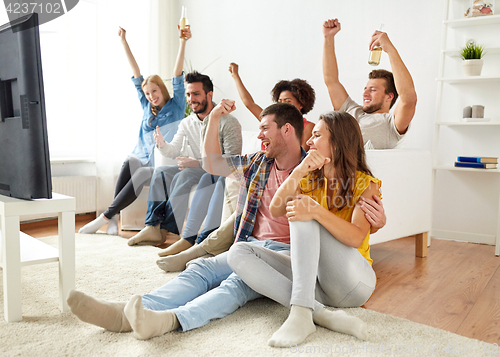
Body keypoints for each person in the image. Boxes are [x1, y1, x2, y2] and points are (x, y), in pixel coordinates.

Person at [67, 102, 368, 342]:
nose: (260, 134)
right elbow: (212, 164)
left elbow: (338, 212)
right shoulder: (258, 162)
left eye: (265, 128)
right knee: (202, 269)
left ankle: (171, 321)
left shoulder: (315, 166)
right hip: (249, 243)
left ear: (287, 130)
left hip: (283, 254)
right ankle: (126, 313)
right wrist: (213, 119)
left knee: (235, 283)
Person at [228, 111, 381, 347]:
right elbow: (277, 208)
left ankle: (301, 313)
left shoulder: (364, 183)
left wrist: (317, 212)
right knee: (238, 253)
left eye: (317, 135)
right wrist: (299, 171)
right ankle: (317, 313)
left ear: (338, 143)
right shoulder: (310, 178)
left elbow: (356, 236)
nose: (308, 141)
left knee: (303, 209)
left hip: (355, 282)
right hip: (319, 286)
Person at [78, 25, 190, 235]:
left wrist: (182, 42)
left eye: (154, 91)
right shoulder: (147, 106)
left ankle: (104, 217)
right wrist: (123, 42)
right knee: (129, 162)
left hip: (160, 163)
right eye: (147, 93)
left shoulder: (177, 106)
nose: (150, 96)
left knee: (139, 172)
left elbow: (177, 75)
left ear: (161, 89)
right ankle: (114, 218)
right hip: (141, 155)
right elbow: (136, 73)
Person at [127, 72, 242, 247]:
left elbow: (230, 161)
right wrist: (162, 144)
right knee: (161, 172)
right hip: (197, 168)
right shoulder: (187, 122)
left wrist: (198, 163)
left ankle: (171, 230)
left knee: (185, 175)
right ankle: (153, 227)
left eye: (196, 94)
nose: (190, 99)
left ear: (209, 95)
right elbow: (173, 150)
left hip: (214, 171)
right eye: (188, 94)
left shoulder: (228, 122)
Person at [322, 18, 417, 149]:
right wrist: (328, 37)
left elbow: (409, 98)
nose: (365, 93)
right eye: (365, 89)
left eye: (372, 90)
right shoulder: (350, 110)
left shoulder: (391, 124)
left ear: (389, 96)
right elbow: (331, 80)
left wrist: (390, 49)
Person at [229, 62, 315, 150]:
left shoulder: (308, 127)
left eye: (287, 101)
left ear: (301, 104)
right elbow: (249, 103)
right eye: (279, 101)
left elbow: (302, 157)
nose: (282, 105)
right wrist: (236, 76)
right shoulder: (271, 121)